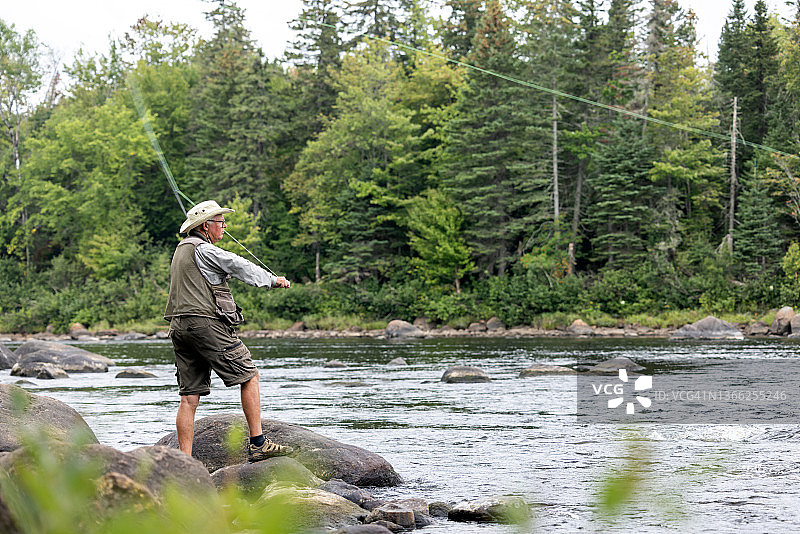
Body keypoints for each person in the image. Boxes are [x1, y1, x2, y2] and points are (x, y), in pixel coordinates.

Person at [164, 200, 292, 462]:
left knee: (189, 396)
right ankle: (258, 444)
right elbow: (237, 264)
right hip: (204, 324)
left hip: (179, 326)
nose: (224, 226)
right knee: (250, 375)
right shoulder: (204, 249)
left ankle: (184, 462)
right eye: (220, 222)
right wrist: (271, 281)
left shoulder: (180, 250)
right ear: (205, 226)